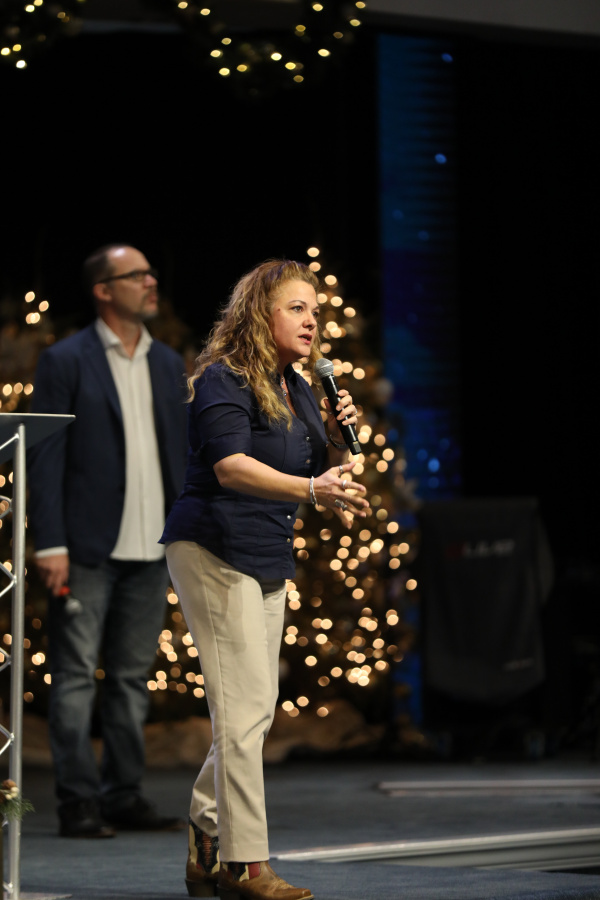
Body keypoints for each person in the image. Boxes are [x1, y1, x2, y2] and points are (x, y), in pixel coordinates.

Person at [162, 259, 370, 900]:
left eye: (315, 311)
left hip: (266, 552)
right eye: (296, 308)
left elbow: (324, 467)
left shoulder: (300, 386)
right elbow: (231, 468)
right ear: (261, 313)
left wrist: (335, 439)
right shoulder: (222, 379)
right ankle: (244, 864)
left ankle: (205, 836)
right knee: (245, 707)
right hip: (212, 547)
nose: (311, 321)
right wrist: (312, 488)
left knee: (253, 710)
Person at [27, 244, 188, 838]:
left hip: (153, 547)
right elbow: (44, 456)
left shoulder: (167, 362)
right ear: (103, 290)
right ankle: (78, 800)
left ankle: (123, 794)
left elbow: (181, 454)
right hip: (85, 548)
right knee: (73, 676)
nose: (150, 282)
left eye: (150, 272)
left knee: (130, 677)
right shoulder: (66, 360)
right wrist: (50, 542)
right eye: (136, 275)